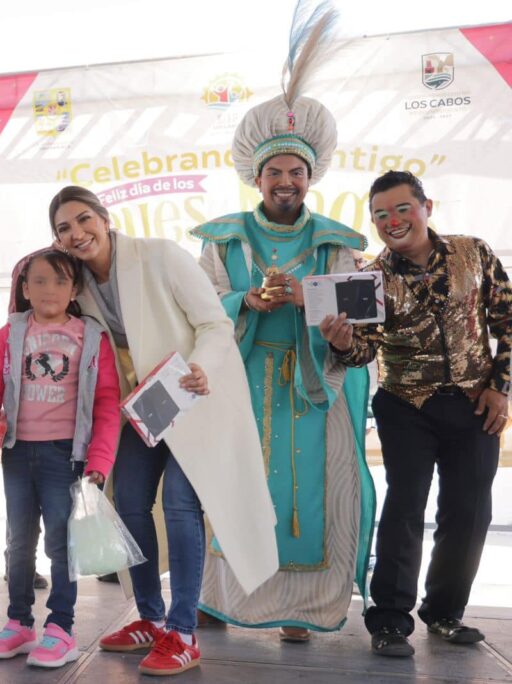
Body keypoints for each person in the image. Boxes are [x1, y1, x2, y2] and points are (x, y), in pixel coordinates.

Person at [189, 6, 373, 642]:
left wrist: (310, 305)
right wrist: (247, 302)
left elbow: (356, 314)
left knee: (306, 496)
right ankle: (219, 597)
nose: (286, 182)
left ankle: (299, 609)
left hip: (310, 385)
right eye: (275, 172)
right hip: (238, 380)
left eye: (296, 172)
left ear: (310, 177)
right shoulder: (224, 237)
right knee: (231, 486)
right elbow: (200, 302)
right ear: (257, 176)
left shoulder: (336, 242)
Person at [45, 186, 277, 677]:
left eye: (84, 219)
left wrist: (200, 367)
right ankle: (150, 619)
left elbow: (214, 324)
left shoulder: (160, 255)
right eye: (64, 228)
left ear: (105, 218)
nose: (77, 233)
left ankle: (183, 630)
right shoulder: (76, 284)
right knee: (129, 502)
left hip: (195, 394)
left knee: (179, 502)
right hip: (142, 408)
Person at [319, 170, 509, 657]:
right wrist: (341, 343)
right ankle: (389, 620)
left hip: (475, 403)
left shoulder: (474, 252)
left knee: (470, 510)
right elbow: (363, 351)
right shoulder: (369, 279)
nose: (393, 221)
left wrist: (501, 388)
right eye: (381, 214)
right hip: (405, 405)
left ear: (427, 207)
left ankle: (444, 612)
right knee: (405, 506)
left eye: (403, 208)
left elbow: (508, 321)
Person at [0, 250, 120, 669]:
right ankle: (19, 622)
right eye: (38, 281)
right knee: (18, 542)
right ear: (24, 288)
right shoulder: (10, 333)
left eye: (59, 281)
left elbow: (107, 403)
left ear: (75, 289)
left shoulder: (91, 337)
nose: (49, 289)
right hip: (18, 453)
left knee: (60, 543)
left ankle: (61, 628)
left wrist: (99, 461)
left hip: (65, 456)